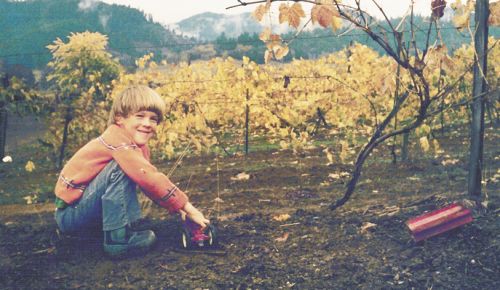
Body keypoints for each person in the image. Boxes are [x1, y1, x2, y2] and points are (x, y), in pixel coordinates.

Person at [54, 85, 210, 258]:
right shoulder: (118, 143)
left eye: (153, 119)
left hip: (86, 213)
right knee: (120, 167)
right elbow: (149, 178)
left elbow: (149, 185)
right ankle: (118, 242)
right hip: (70, 216)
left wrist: (179, 209)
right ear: (120, 118)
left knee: (128, 168)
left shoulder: (136, 147)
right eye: (140, 116)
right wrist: (190, 209)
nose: (147, 124)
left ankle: (110, 231)